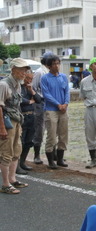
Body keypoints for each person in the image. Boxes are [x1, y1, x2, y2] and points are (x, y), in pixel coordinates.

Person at [0, 58, 30, 194]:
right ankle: (5, 184)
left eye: (25, 69)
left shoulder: (17, 84)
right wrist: (1, 127)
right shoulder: (4, 85)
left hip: (16, 120)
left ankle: (12, 179)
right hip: (7, 122)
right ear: (13, 70)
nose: (24, 72)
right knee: (6, 153)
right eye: (22, 69)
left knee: (16, 150)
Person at [41, 55, 69, 169]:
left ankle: (60, 158)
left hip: (63, 110)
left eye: (58, 63)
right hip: (51, 110)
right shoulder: (45, 78)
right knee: (51, 135)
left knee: (63, 135)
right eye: (54, 64)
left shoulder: (63, 77)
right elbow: (46, 94)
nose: (57, 66)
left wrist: (66, 104)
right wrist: (58, 104)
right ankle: (50, 160)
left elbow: (67, 91)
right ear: (48, 66)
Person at [17, 69, 41, 174]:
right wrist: (29, 101)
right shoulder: (18, 87)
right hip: (22, 116)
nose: (28, 81)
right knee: (20, 142)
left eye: (31, 79)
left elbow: (39, 100)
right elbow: (19, 100)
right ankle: (17, 165)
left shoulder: (30, 88)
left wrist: (32, 91)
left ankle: (23, 162)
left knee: (28, 142)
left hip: (32, 116)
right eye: (27, 78)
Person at [32, 51, 53, 165]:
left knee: (51, 128)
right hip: (40, 103)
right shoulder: (40, 72)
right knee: (39, 129)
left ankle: (51, 153)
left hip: (50, 104)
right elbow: (33, 88)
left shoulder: (51, 72)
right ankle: (36, 155)